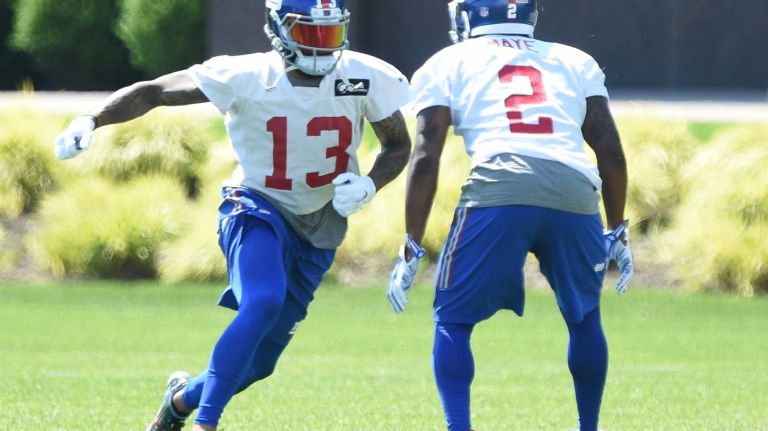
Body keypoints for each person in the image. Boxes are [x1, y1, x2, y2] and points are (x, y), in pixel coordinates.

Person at [54, 1, 411, 430]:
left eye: (329, 34)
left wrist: (371, 183)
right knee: (262, 301)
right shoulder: (246, 76)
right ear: (278, 31)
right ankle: (207, 422)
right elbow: (154, 92)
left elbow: (397, 144)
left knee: (260, 362)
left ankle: (179, 404)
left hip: (320, 221)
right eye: (309, 34)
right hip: (256, 204)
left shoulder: (361, 76)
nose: (321, 47)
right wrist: (92, 119)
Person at [386, 1, 634, 430]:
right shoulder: (575, 60)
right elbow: (608, 147)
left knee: (453, 320)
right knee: (584, 317)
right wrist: (617, 227)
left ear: (467, 15)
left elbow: (426, 156)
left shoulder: (446, 62)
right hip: (574, 192)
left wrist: (411, 241)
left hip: (500, 185)